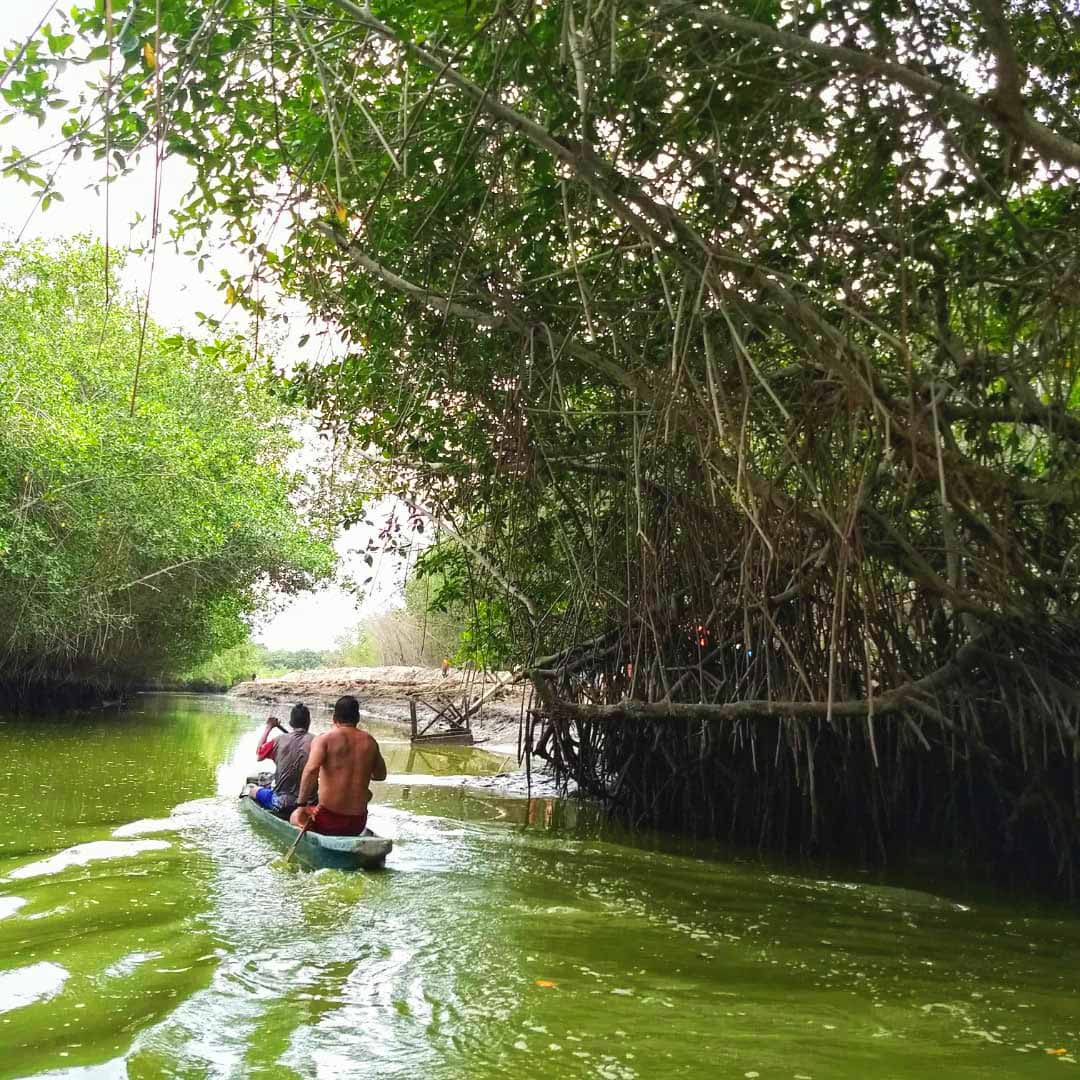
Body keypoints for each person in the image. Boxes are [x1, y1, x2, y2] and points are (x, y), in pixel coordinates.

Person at [291, 695, 386, 836]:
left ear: (334, 718)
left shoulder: (324, 739)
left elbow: (311, 771)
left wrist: (301, 806)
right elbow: (380, 775)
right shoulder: (370, 742)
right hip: (358, 822)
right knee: (368, 795)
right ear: (357, 718)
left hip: (328, 820)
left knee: (295, 816)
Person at [246, 703, 316, 819]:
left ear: (290, 723)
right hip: (309, 804)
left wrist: (269, 727)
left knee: (252, 789)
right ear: (308, 722)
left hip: (282, 804)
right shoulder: (317, 742)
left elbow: (259, 755)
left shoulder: (278, 740)